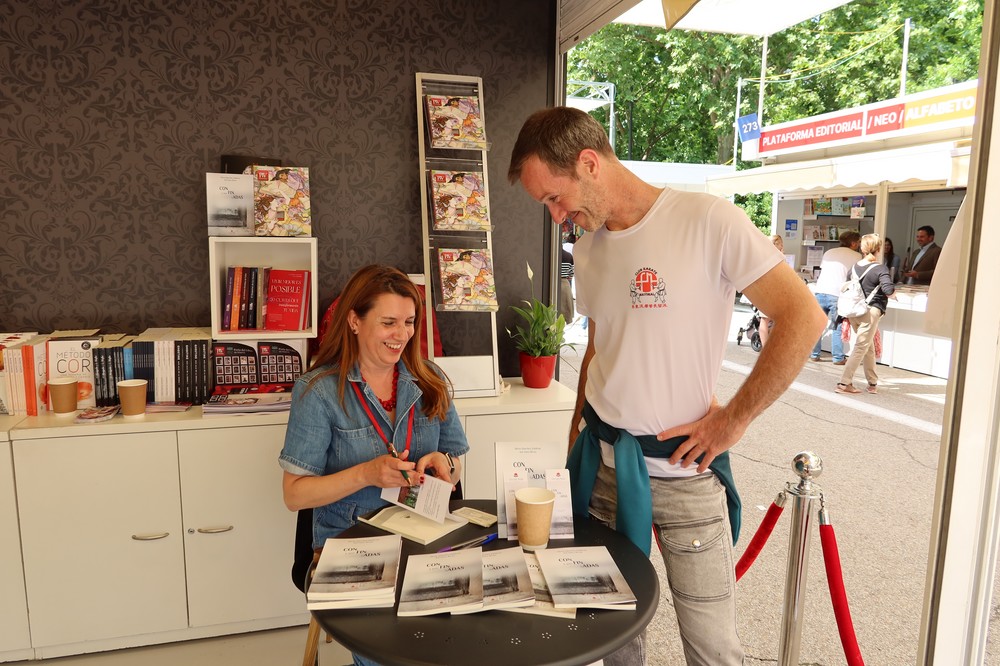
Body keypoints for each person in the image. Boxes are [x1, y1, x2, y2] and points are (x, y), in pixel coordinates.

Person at [508, 107, 825, 666]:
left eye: (555, 198)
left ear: (588, 163)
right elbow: (601, 348)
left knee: (712, 648)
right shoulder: (587, 249)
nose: (558, 216)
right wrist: (573, 436)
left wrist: (734, 418)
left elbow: (803, 317)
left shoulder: (709, 220)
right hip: (602, 470)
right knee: (614, 643)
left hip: (685, 472)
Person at [279, 265, 468, 666]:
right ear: (354, 320)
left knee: (465, 638)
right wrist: (366, 473)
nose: (402, 335)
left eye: (409, 322)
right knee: (392, 652)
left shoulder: (430, 379)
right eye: (388, 323)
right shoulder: (318, 392)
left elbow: (456, 460)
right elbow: (294, 495)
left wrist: (444, 464)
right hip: (352, 544)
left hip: (424, 537)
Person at [836, 234, 896, 395]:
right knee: (861, 346)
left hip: (854, 311)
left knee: (867, 345)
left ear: (862, 248)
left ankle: (872, 382)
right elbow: (888, 289)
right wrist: (892, 293)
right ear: (878, 249)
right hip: (870, 312)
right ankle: (844, 382)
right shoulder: (880, 268)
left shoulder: (854, 267)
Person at [809, 231, 862, 364]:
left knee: (816, 326)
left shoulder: (829, 253)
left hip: (820, 291)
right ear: (854, 243)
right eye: (859, 242)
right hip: (837, 294)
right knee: (837, 326)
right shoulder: (857, 256)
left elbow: (823, 270)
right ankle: (838, 357)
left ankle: (814, 354)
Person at [758, 234, 785, 346]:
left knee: (764, 319)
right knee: (777, 319)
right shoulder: (780, 257)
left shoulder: (763, 256)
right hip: (776, 290)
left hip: (764, 290)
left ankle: (765, 346)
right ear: (779, 245)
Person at [559, 243, 575, 323]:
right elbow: (571, 273)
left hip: (552, 283)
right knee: (565, 310)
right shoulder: (569, 256)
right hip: (565, 283)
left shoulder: (552, 254)